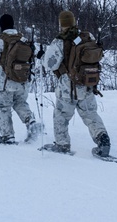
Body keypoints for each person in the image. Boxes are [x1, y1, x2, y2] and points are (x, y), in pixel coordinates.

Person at [42, 10, 111, 157]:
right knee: (90, 115)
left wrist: (42, 57)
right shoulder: (88, 36)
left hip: (68, 87)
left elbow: (50, 65)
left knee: (61, 115)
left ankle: (62, 144)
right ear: (74, 22)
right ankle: (103, 140)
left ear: (61, 24)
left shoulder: (59, 41)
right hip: (87, 83)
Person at [0, 13, 40, 144]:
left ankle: (8, 136)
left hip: (6, 82)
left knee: (3, 107)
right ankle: (31, 122)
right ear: (13, 24)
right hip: (23, 80)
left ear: (1, 25)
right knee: (20, 103)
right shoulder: (23, 39)